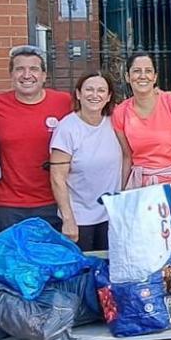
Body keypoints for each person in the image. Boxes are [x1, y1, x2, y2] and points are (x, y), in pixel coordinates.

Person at [0, 45, 71, 232]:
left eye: (33, 69)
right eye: (19, 69)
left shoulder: (65, 102)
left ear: (44, 75)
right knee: (13, 261)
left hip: (54, 201)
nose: (26, 75)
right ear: (11, 74)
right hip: (9, 205)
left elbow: (97, 117)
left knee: (51, 259)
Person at [112, 52, 171, 219]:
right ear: (127, 76)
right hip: (141, 192)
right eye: (137, 71)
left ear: (155, 77)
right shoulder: (120, 112)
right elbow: (127, 156)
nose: (142, 76)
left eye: (148, 71)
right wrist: (123, 194)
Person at [49, 71, 122, 251]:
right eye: (89, 89)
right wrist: (68, 219)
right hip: (79, 217)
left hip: (112, 215)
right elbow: (57, 177)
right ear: (79, 94)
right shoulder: (67, 128)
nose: (95, 95)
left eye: (101, 90)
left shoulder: (116, 122)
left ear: (108, 96)